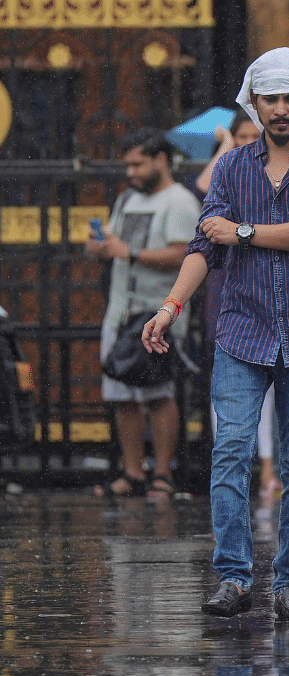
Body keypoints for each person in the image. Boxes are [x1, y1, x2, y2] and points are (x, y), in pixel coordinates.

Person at [142, 47, 289, 621]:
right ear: (252, 103)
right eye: (270, 99)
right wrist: (171, 304)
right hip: (242, 330)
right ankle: (233, 577)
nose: (280, 110)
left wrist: (244, 231)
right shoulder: (231, 166)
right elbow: (206, 243)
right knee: (230, 451)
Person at [88, 130, 201, 499]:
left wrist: (129, 252)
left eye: (138, 163)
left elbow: (185, 254)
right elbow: (118, 244)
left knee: (157, 393)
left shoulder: (180, 201)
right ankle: (133, 471)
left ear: (161, 160)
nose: (131, 171)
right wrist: (103, 248)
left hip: (159, 314)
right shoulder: (126, 200)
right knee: (121, 393)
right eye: (128, 164)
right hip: (121, 312)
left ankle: (163, 474)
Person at [193, 112, 283, 501]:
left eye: (253, 136)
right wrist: (227, 148)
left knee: (271, 385)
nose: (249, 142)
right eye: (240, 135)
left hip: (272, 287)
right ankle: (232, 470)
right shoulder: (227, 174)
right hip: (227, 288)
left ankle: (267, 468)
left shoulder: (279, 175)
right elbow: (201, 188)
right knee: (229, 384)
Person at [196, 110, 261, 196]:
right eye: (242, 137)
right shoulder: (230, 169)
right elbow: (202, 189)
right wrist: (227, 144)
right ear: (234, 137)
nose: (249, 142)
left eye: (256, 136)